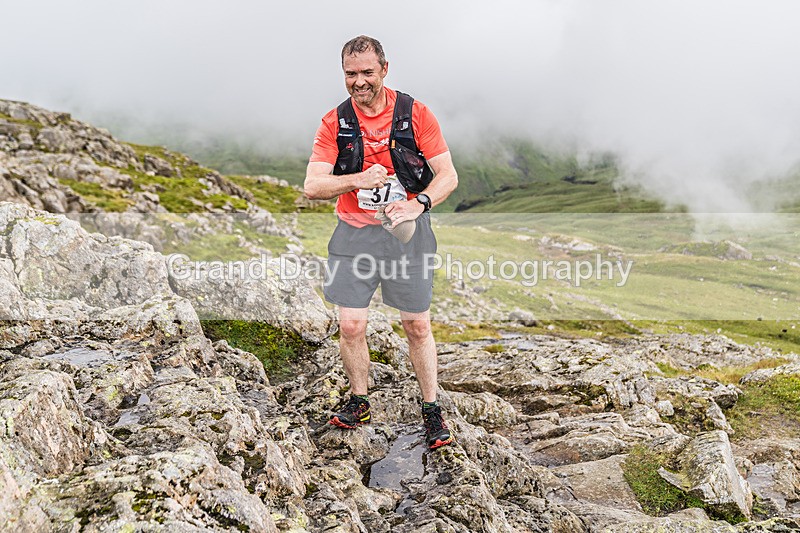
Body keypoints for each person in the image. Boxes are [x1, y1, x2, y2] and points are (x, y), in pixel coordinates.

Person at [304, 35, 458, 449]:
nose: (359, 82)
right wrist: (358, 178)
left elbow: (448, 175)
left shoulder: (415, 113)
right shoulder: (333, 123)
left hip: (408, 233)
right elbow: (313, 185)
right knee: (351, 325)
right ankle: (359, 400)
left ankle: (431, 409)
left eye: (367, 72)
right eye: (350, 74)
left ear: (384, 69)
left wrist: (418, 204)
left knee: (417, 325)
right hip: (354, 233)